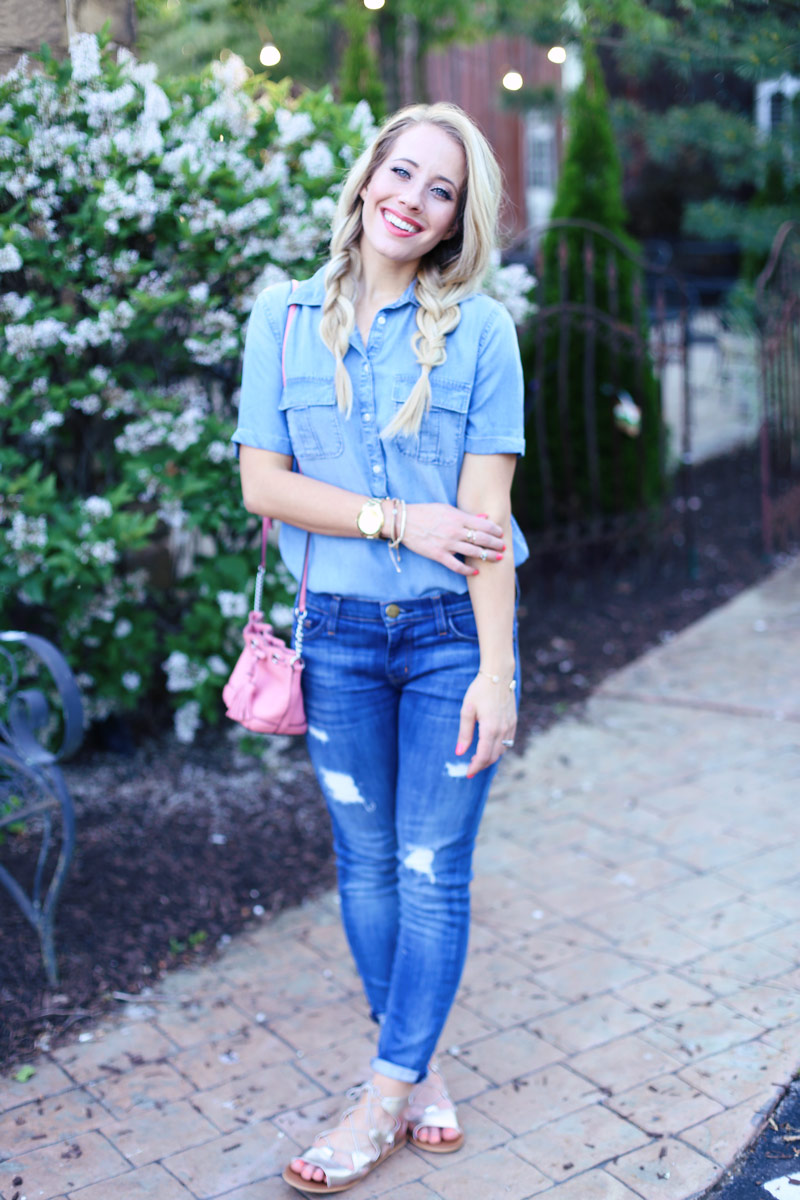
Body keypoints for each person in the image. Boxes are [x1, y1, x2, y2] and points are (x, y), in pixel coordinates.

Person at [233, 101, 527, 1194]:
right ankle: (417, 1073)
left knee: (427, 868)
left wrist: (497, 675)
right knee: (363, 865)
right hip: (340, 636)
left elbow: (485, 526)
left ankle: (376, 1099)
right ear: (366, 182)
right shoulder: (284, 316)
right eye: (399, 173)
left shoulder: (480, 331)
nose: (411, 198)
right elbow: (264, 484)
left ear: (455, 220)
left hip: (451, 635)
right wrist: (394, 519)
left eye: (439, 189)